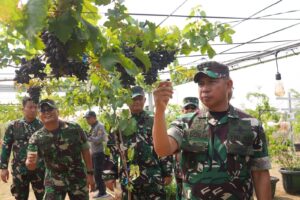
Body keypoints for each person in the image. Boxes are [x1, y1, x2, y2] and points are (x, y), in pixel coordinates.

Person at [152, 61, 272, 200]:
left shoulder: (250, 124)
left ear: (228, 85)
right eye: (201, 83)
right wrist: (159, 110)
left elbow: (260, 173)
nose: (205, 89)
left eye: (211, 82)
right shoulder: (185, 122)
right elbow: (162, 150)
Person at [103, 86, 173, 200]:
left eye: (140, 99)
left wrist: (168, 171)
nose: (136, 102)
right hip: (128, 176)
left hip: (152, 175)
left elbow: (163, 144)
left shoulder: (154, 119)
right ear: (126, 101)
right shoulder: (119, 123)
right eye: (133, 99)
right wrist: (109, 174)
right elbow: (112, 149)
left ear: (145, 100)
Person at [25, 99, 95, 200]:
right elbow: (30, 164)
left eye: (50, 109)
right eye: (43, 111)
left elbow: (85, 150)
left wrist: (90, 174)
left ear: (58, 111)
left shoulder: (74, 128)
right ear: (39, 116)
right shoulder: (36, 138)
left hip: (77, 178)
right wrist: (30, 163)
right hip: (53, 181)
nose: (46, 113)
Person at [0, 96, 45, 200]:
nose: (33, 110)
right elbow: (6, 147)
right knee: (20, 197)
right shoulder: (13, 126)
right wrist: (3, 167)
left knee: (43, 197)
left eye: (35, 107)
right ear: (23, 109)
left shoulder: (43, 126)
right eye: (30, 107)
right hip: (19, 170)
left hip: (40, 169)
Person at [174, 97, 199, 200]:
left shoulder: (201, 126)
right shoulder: (177, 124)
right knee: (179, 191)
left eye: (193, 108)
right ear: (182, 110)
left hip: (193, 169)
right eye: (187, 108)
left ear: (198, 110)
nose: (189, 110)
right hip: (178, 166)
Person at [84, 110, 109, 199]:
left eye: (88, 118)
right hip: (94, 153)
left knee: (98, 174)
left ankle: (103, 192)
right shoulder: (92, 127)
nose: (87, 120)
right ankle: (100, 190)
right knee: (96, 173)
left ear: (94, 118)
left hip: (99, 153)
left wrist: (89, 137)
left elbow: (99, 140)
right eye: (86, 119)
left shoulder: (100, 126)